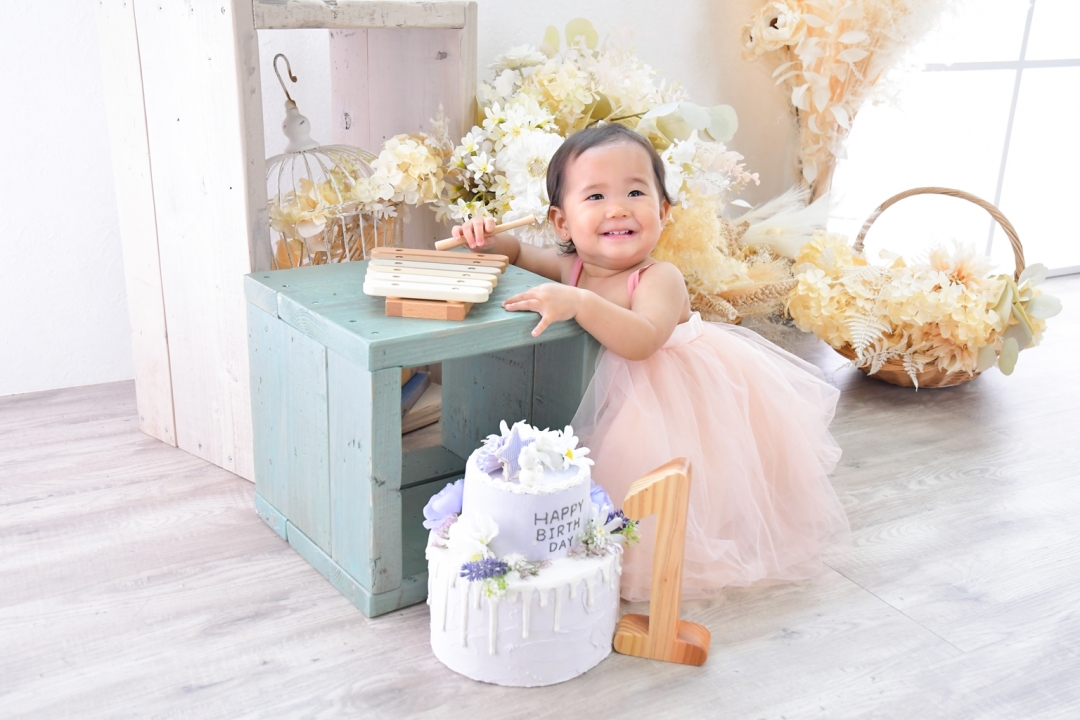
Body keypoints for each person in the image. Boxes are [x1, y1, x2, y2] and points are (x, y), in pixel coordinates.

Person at [451, 124, 849, 601]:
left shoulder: (660, 278)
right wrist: (485, 240)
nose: (618, 208)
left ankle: (682, 541)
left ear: (662, 211)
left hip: (675, 400)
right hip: (623, 394)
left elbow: (641, 340)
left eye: (635, 192)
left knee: (671, 485)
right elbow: (517, 252)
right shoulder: (571, 267)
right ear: (562, 223)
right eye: (595, 196)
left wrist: (580, 302)